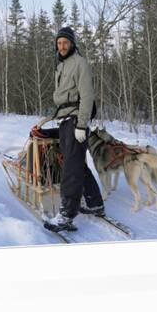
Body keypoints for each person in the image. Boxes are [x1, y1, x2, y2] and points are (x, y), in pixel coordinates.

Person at [47, 25, 105, 232]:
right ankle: (95, 202)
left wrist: (82, 124)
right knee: (77, 164)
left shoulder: (80, 63)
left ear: (72, 43)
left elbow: (87, 95)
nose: (62, 46)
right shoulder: (61, 66)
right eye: (59, 42)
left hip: (75, 121)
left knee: (71, 169)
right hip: (64, 119)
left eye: (65, 42)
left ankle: (66, 215)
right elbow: (63, 99)